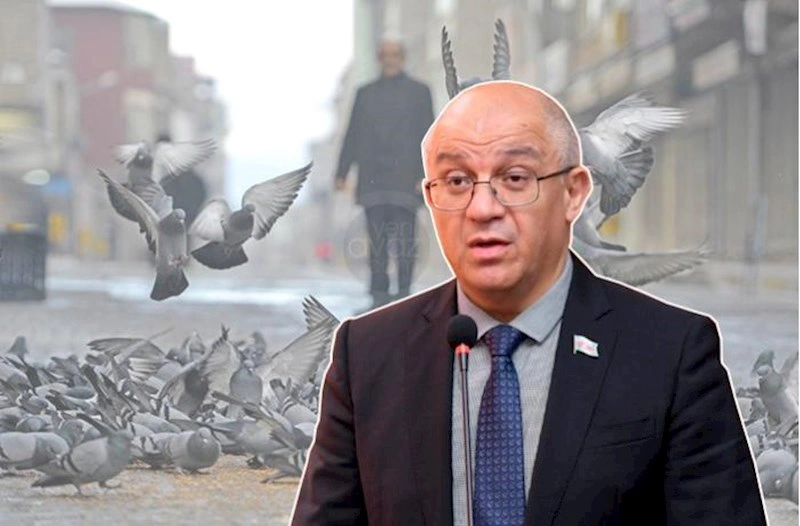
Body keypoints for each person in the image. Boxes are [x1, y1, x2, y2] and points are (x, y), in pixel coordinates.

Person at [293, 81, 766, 525]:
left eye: (515, 177)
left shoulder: (672, 354)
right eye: (456, 181)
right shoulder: (367, 354)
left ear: (574, 193)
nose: (482, 208)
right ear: (430, 199)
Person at [334, 34, 435, 309]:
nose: (390, 61)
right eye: (385, 56)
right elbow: (352, 134)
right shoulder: (364, 94)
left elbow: (430, 135)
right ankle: (378, 294)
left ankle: (404, 292)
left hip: (407, 179)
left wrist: (427, 174)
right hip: (373, 179)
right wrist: (341, 173)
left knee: (405, 240)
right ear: (379, 59)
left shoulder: (419, 92)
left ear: (402, 59)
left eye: (395, 55)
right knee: (377, 240)